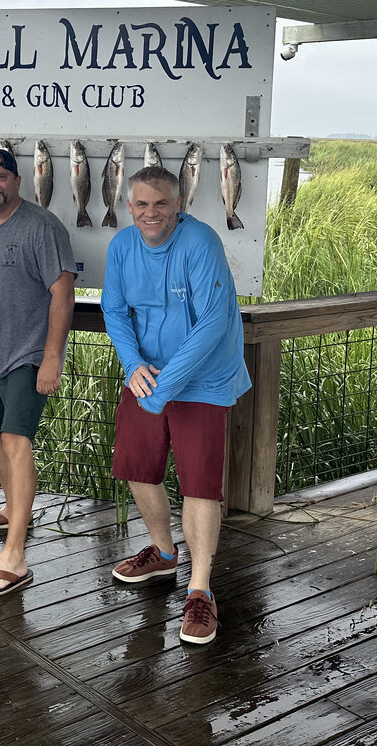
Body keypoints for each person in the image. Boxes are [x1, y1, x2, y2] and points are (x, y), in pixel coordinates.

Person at [102, 165, 251, 645]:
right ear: (129, 206)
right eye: (142, 204)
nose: (151, 213)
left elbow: (212, 323)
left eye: (161, 203)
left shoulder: (201, 242)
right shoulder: (122, 247)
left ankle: (200, 590)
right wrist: (132, 365)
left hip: (204, 377)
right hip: (148, 375)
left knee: (200, 484)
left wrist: (165, 386)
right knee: (137, 467)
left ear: (178, 204)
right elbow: (113, 310)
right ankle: (164, 555)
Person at [0, 147, 76, 597]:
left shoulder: (42, 226)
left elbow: (63, 292)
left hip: (29, 354)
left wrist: (52, 358)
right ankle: (15, 509)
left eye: (0, 176)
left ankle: (14, 556)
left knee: (16, 439)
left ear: (17, 181)